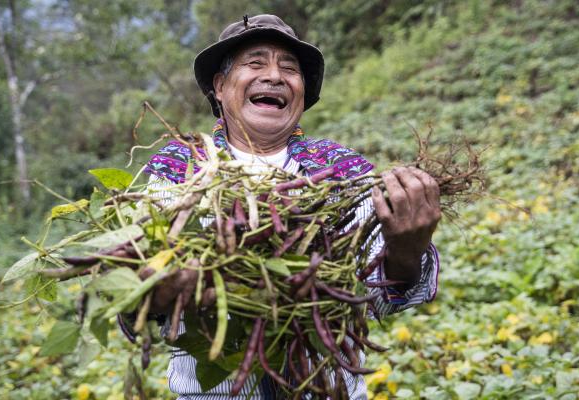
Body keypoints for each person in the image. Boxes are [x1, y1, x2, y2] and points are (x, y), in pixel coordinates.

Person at [134, 14, 441, 399]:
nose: (275, 76)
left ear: (301, 91)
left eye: (290, 68)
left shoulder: (340, 172)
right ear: (220, 86)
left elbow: (381, 294)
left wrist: (406, 249)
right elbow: (135, 294)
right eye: (256, 63)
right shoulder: (180, 169)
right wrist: (155, 293)